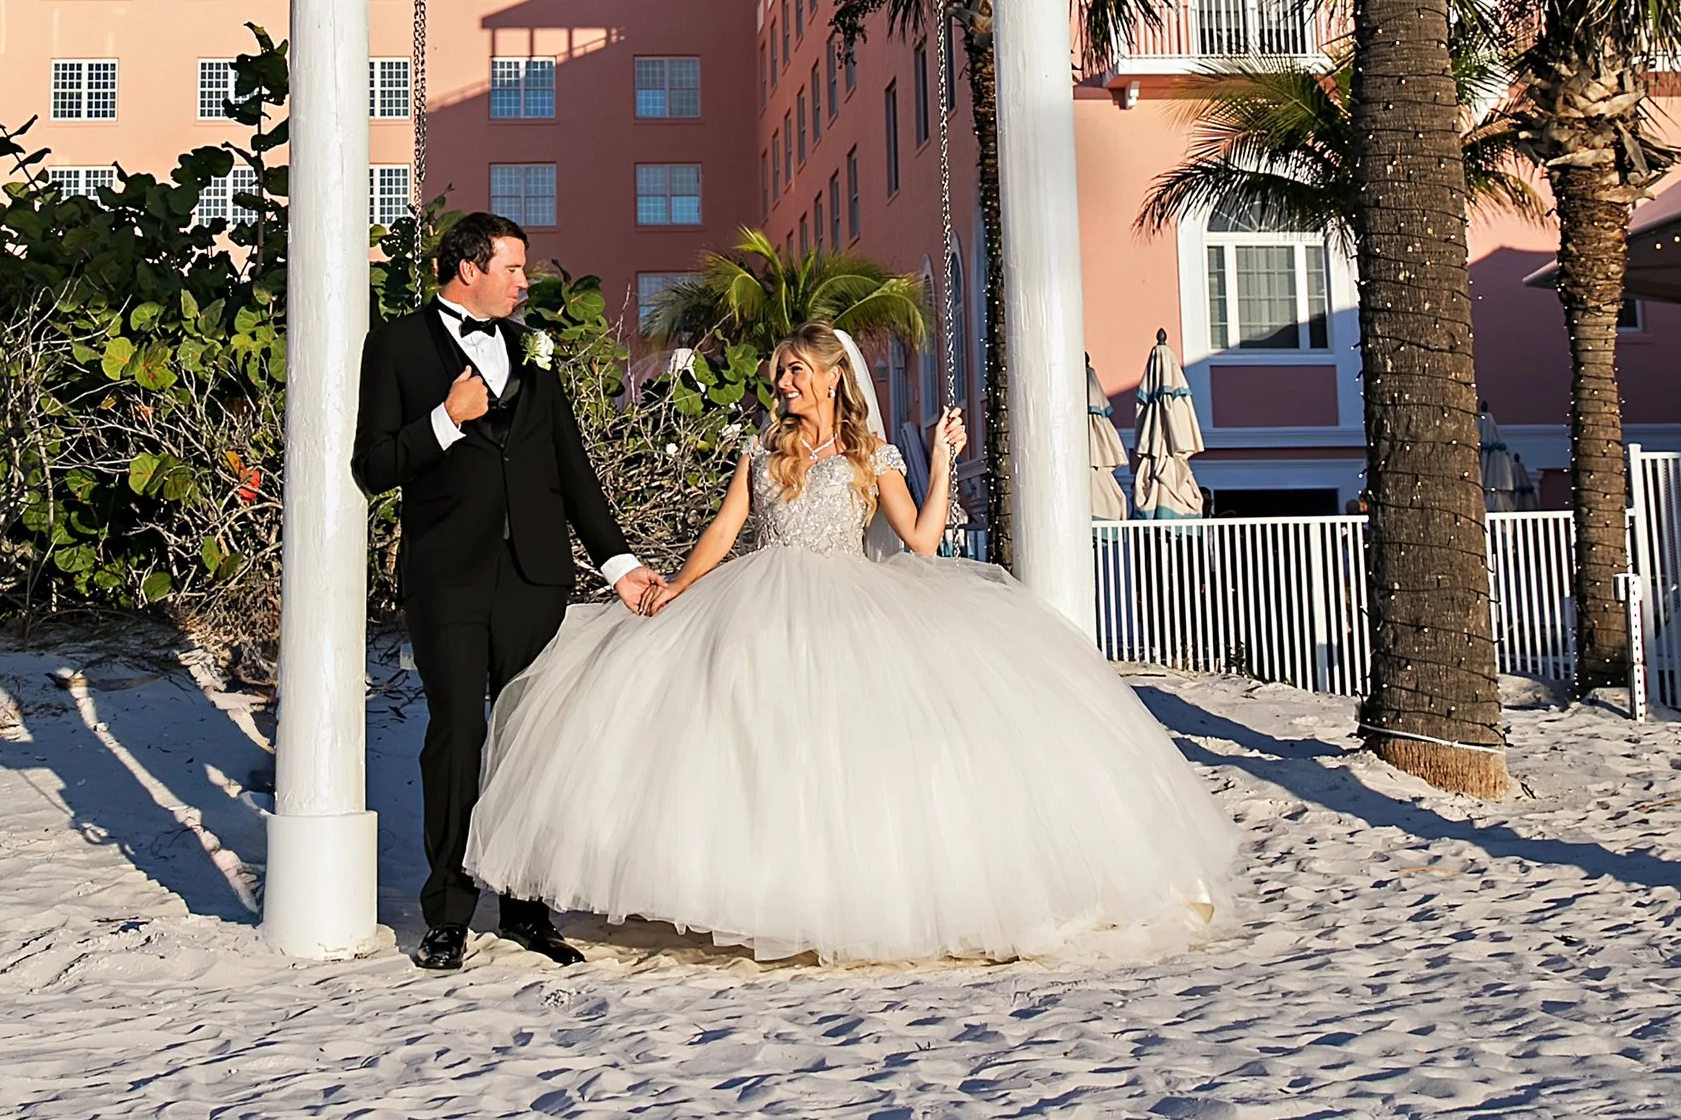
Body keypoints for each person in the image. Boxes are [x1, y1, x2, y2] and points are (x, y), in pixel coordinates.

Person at [468, 321, 1238, 966]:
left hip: (848, 604)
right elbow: (727, 529)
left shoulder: (874, 458)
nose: (784, 385)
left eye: (796, 373)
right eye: (779, 375)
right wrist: (678, 588)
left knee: (844, 756)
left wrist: (939, 461)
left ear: (835, 378)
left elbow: (924, 542)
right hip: (757, 603)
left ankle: (839, 896)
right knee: (742, 743)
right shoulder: (762, 450)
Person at [353, 210, 663, 973]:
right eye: (514, 269)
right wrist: (446, 421)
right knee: (457, 738)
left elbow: (571, 470)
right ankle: (449, 915)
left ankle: (527, 911)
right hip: (447, 577)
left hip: (536, 577)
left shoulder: (532, 352)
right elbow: (373, 465)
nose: (526, 283)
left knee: (532, 743)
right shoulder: (392, 346)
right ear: (468, 268)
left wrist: (618, 565)